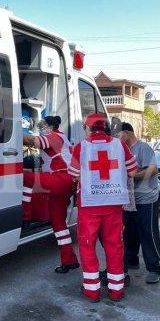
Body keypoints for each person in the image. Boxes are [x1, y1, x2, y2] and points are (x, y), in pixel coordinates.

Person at [68, 113, 138, 302]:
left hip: (89, 204)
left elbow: (73, 175)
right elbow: (132, 170)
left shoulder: (81, 147)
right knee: (114, 245)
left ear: (89, 129)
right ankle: (116, 291)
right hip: (114, 204)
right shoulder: (120, 145)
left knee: (87, 245)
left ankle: (92, 291)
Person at [23, 115, 79, 273]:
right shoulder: (62, 136)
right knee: (58, 222)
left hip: (61, 178)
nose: (41, 129)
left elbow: (32, 141)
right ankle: (69, 260)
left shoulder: (53, 137)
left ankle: (25, 217)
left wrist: (10, 135)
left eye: (43, 126)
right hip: (67, 181)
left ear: (50, 126)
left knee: (23, 177)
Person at [119, 122, 160, 284]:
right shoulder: (122, 149)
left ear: (127, 133)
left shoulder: (143, 148)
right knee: (129, 232)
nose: (117, 138)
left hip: (146, 199)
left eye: (119, 135)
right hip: (129, 200)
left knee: (148, 233)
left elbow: (153, 169)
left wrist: (132, 175)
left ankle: (154, 268)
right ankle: (132, 260)